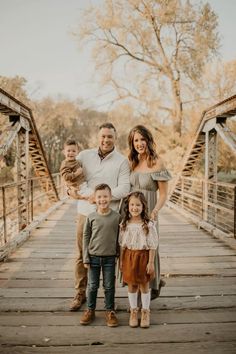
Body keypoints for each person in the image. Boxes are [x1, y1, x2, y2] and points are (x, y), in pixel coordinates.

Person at [69, 122, 130, 311]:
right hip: (86, 212)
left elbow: (125, 188)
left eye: (110, 136)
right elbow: (74, 180)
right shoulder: (83, 156)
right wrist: (91, 196)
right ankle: (80, 294)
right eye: (103, 136)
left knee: (110, 255)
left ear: (115, 138)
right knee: (81, 253)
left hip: (110, 217)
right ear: (98, 137)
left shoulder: (122, 161)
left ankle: (108, 298)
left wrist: (102, 197)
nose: (106, 140)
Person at [127, 125, 171, 299]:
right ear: (132, 143)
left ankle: (152, 284)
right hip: (132, 210)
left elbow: (163, 194)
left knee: (149, 246)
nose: (139, 143)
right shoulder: (132, 161)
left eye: (142, 139)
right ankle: (135, 283)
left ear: (148, 140)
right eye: (136, 140)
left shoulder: (157, 162)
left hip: (150, 210)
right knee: (134, 246)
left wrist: (154, 211)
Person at [80, 183, 121, 327]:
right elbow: (85, 237)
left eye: (105, 196)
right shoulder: (91, 217)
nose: (102, 200)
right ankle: (90, 310)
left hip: (110, 257)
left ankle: (109, 311)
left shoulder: (117, 217)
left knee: (109, 286)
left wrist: (119, 255)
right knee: (92, 286)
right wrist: (86, 257)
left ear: (110, 197)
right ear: (94, 199)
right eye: (99, 197)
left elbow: (119, 238)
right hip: (93, 257)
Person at [119, 191, 158, 328]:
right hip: (129, 256)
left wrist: (151, 262)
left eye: (138, 205)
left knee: (144, 285)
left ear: (143, 207)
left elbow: (152, 245)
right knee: (131, 284)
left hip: (143, 257)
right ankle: (134, 311)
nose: (134, 208)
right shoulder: (125, 224)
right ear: (128, 206)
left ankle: (146, 311)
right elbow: (122, 245)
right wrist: (122, 261)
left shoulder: (148, 224)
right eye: (132, 205)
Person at [60, 138, 92, 205]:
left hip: (83, 184)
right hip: (78, 187)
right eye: (68, 151)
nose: (71, 153)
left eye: (73, 151)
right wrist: (76, 173)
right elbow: (66, 177)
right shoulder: (65, 164)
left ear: (77, 152)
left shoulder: (76, 161)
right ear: (64, 152)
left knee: (92, 196)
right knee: (92, 196)